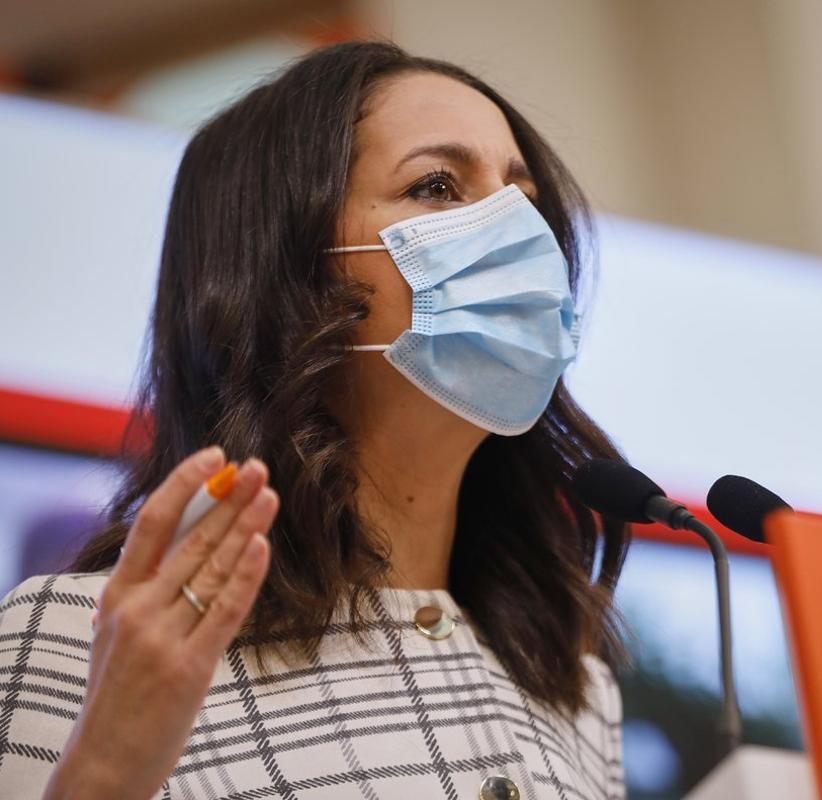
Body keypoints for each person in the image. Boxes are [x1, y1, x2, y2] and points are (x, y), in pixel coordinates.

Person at [0, 40, 631, 800]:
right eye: (436, 186)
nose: (515, 234)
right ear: (286, 267)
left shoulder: (576, 688)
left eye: (522, 200)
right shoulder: (80, 642)